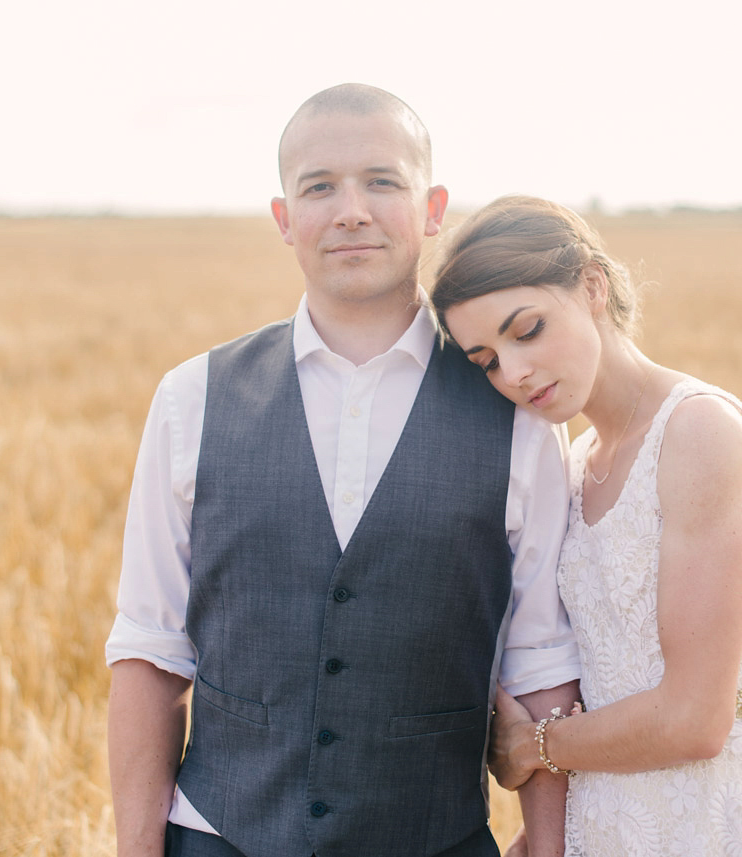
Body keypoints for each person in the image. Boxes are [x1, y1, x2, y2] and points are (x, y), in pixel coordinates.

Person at [105, 88, 581, 857]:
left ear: (432, 208)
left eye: (382, 182)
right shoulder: (190, 398)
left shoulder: (518, 416)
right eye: (319, 185)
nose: (351, 209)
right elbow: (150, 651)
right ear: (283, 217)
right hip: (217, 838)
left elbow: (543, 663)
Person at [432, 195, 742, 856]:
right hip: (609, 820)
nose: (512, 372)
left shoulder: (697, 431)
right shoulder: (572, 466)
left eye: (528, 328)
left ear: (593, 285)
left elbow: (695, 719)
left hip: (715, 820)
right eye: (485, 359)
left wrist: (531, 745)